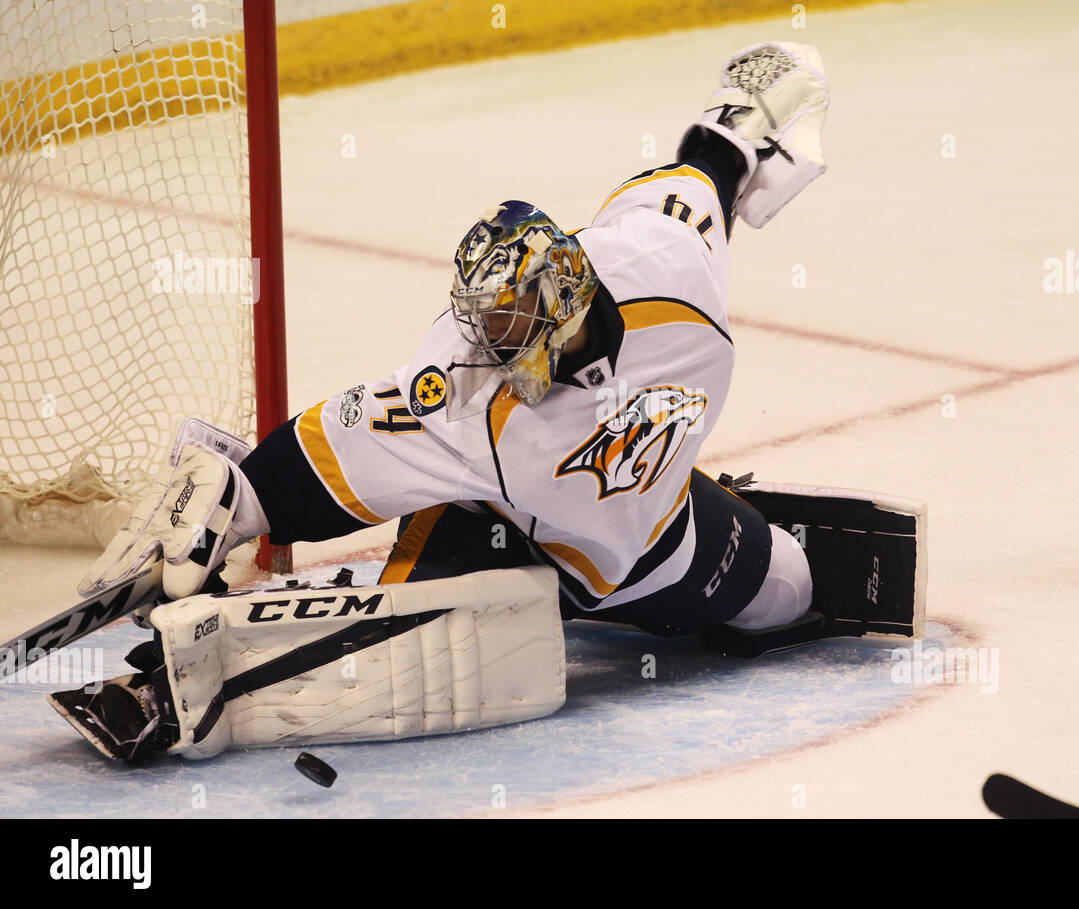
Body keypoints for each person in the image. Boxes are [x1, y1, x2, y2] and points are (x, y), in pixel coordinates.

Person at [53, 43, 920, 765]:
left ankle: (690, 523)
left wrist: (762, 92)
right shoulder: (462, 392)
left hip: (650, 551)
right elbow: (329, 458)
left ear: (565, 294)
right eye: (483, 319)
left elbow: (711, 165)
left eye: (509, 319)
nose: (490, 340)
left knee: (790, 589)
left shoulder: (668, 264)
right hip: (496, 519)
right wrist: (236, 501)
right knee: (399, 645)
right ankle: (183, 687)